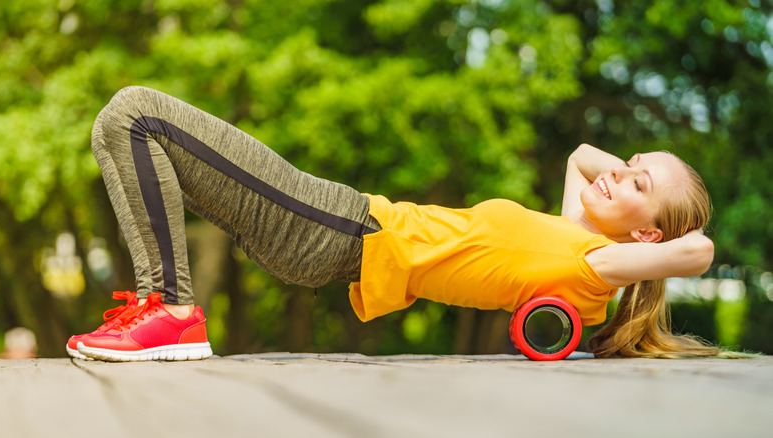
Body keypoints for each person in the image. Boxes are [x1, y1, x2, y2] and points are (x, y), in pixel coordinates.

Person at [68, 86, 719, 362]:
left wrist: (654, 238)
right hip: (337, 225)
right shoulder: (572, 233)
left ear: (648, 239)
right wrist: (632, 181)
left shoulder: (595, 268)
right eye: (630, 163)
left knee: (135, 113)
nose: (617, 173)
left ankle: (169, 310)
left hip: (341, 227)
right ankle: (163, 308)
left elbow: (698, 251)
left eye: (638, 185)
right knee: (119, 126)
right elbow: (580, 156)